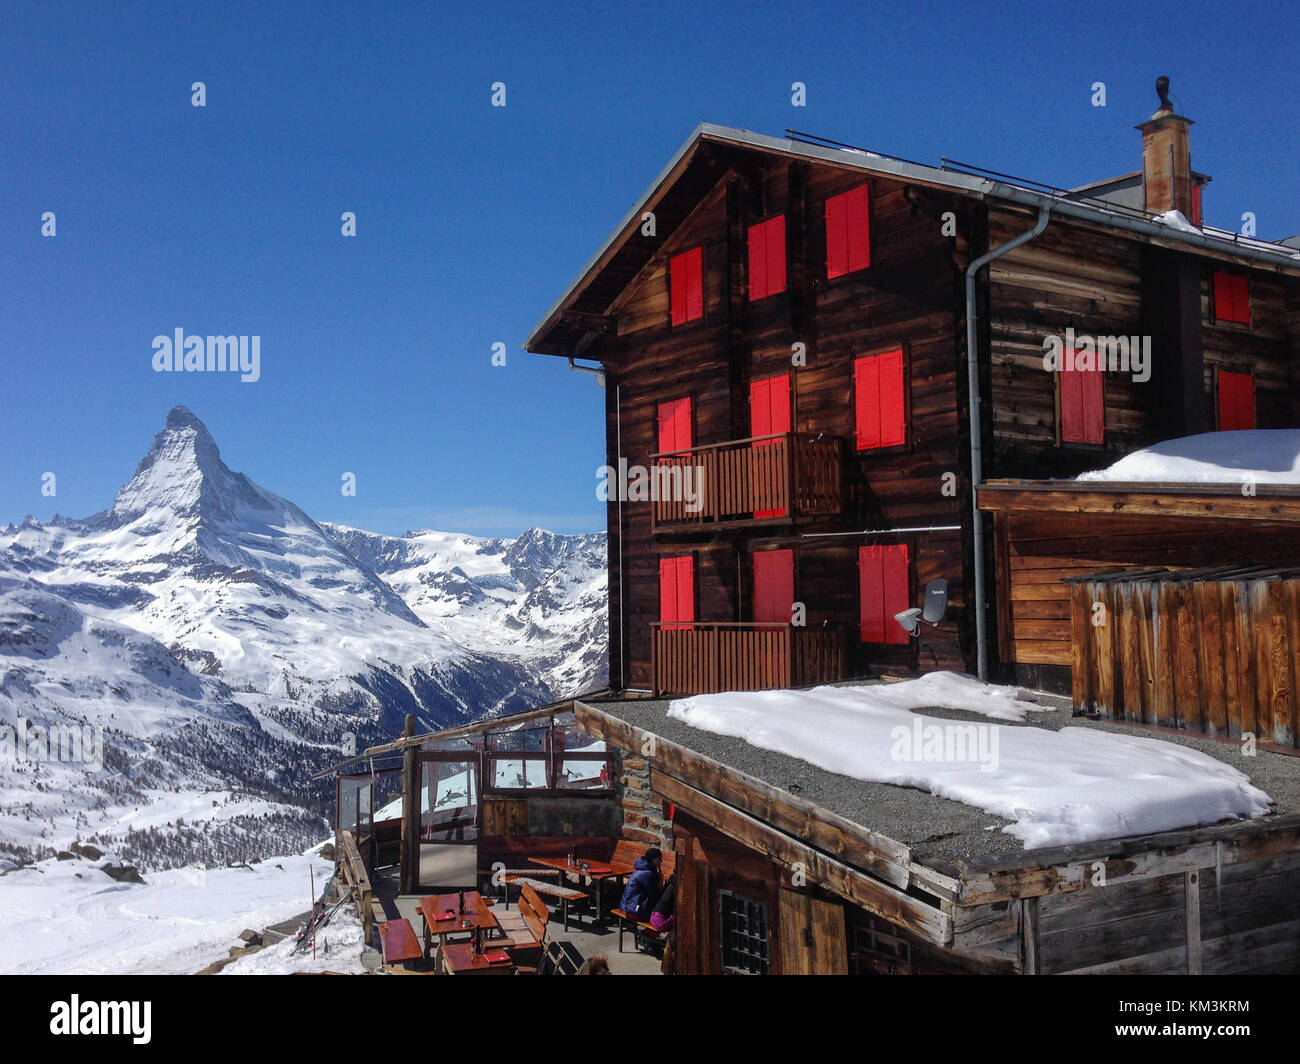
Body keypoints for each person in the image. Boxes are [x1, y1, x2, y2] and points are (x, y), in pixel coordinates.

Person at [617, 847, 663, 920]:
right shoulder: (648, 874)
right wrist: (660, 884)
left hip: (626, 905)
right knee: (661, 915)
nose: (661, 862)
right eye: (659, 859)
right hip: (632, 910)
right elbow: (654, 893)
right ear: (652, 859)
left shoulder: (643, 868)